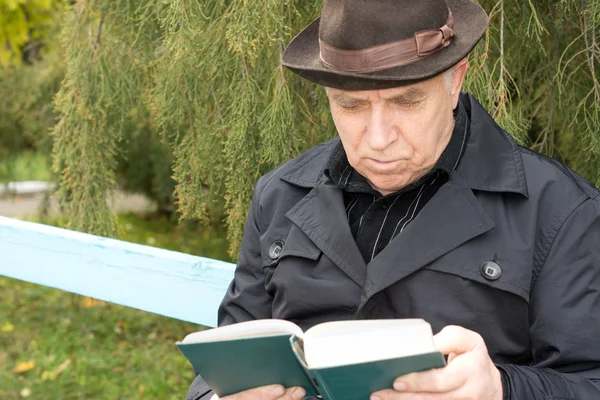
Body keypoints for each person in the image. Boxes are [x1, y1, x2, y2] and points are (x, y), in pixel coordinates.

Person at [186, 0, 600, 399]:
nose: (379, 138)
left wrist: (501, 389)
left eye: (406, 101)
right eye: (350, 105)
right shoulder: (278, 196)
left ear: (455, 80)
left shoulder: (560, 212)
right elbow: (217, 369)